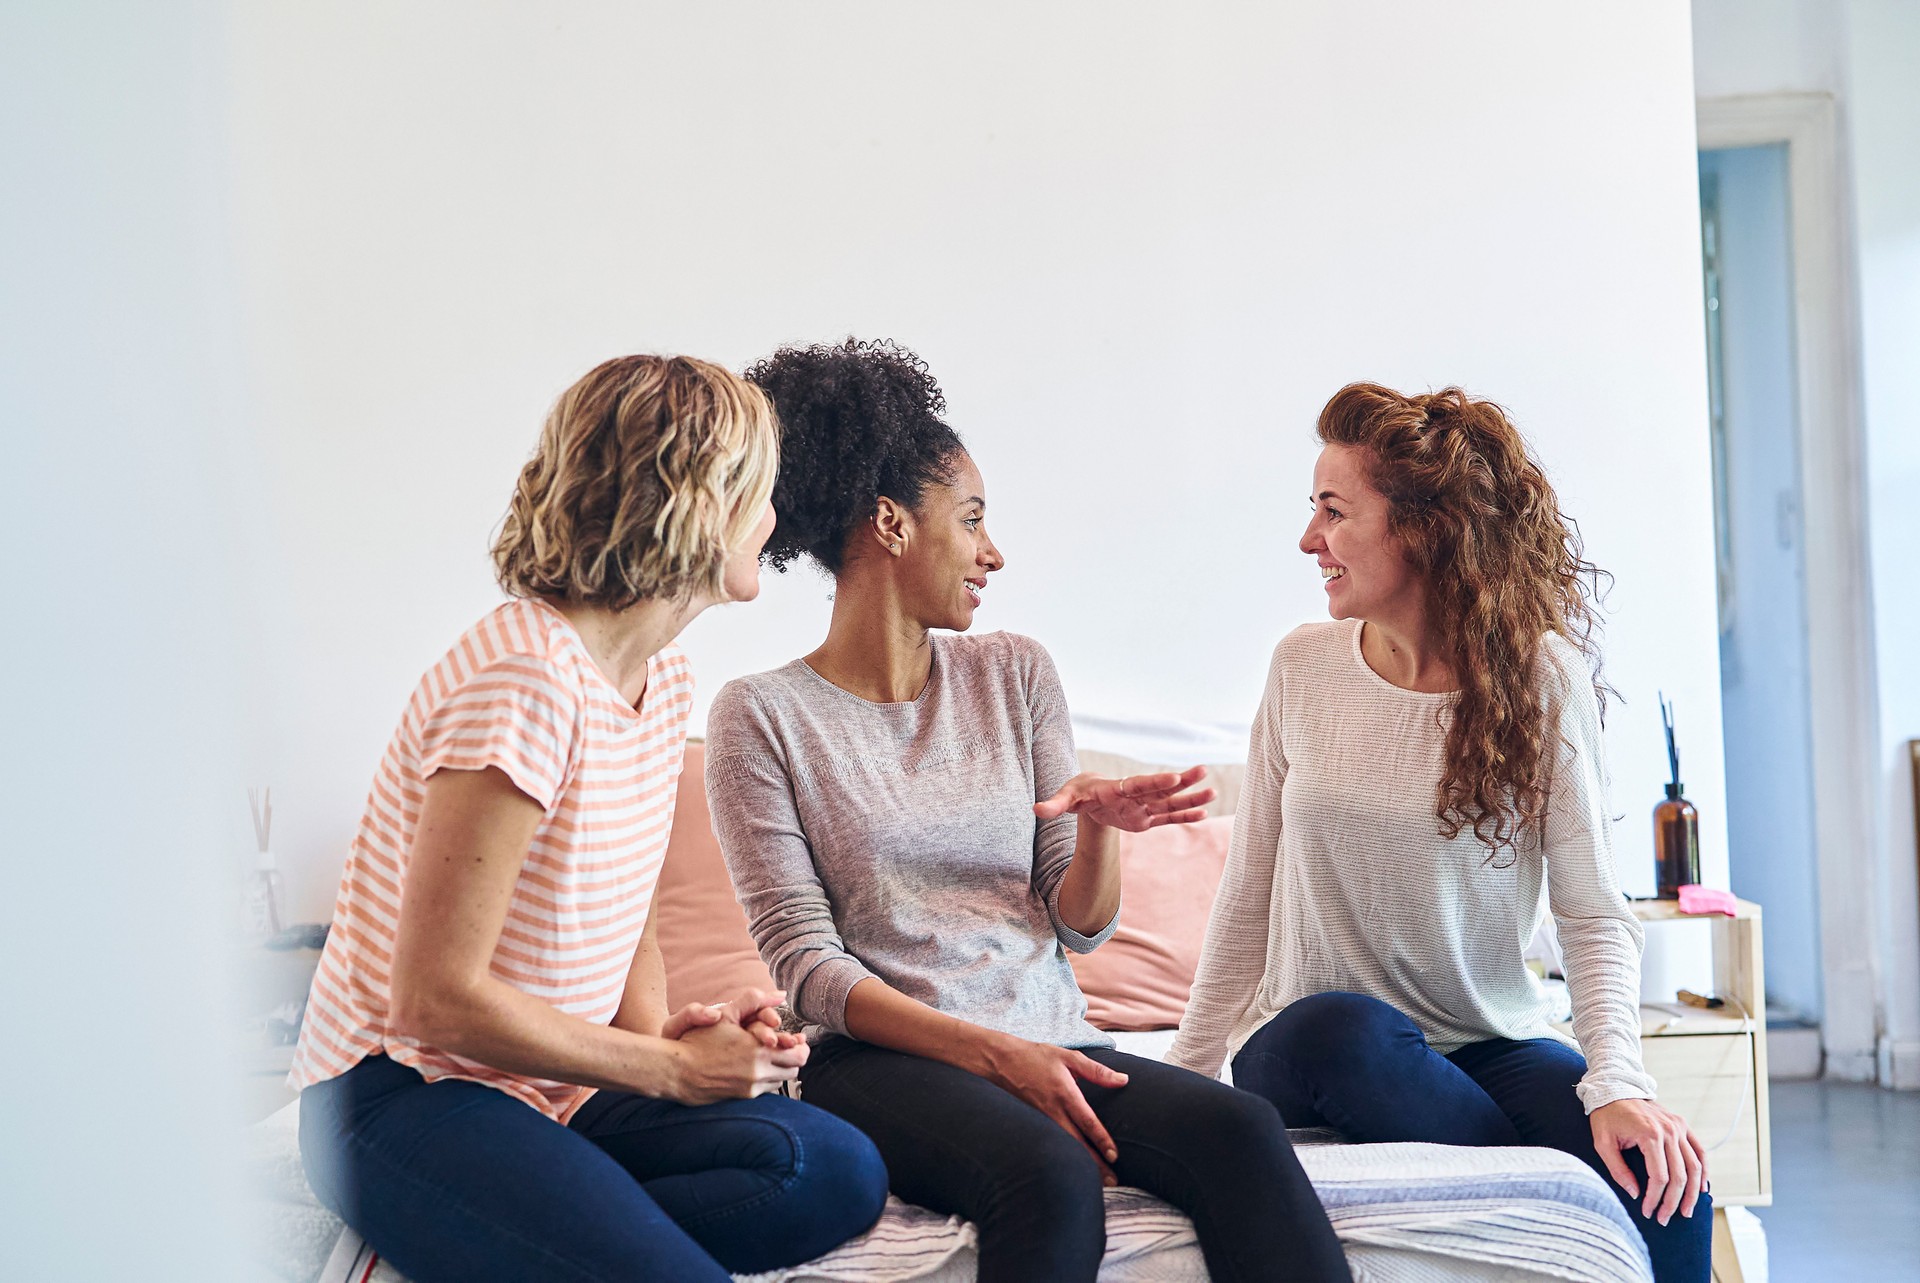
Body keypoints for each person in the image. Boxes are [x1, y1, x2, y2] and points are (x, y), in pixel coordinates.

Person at [704, 339, 1353, 1283]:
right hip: (880, 1064)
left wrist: (1097, 830)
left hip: (1059, 1036)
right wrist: (996, 1056)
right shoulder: (760, 716)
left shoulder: (1016, 673)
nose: (992, 553)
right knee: (1047, 1173)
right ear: (890, 523)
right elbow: (807, 965)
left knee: (1240, 1127)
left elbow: (1077, 927)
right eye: (971, 521)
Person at [288, 355, 889, 1283]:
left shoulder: (666, 678)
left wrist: (659, 1042)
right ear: (700, 500)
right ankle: (519, 1223)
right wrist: (672, 1077)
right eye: (760, 495)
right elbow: (433, 1000)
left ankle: (519, 1231)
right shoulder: (523, 677)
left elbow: (627, 910)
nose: (772, 522)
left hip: (558, 1086)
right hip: (405, 1091)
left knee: (837, 1169)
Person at [1166, 382, 1712, 1281]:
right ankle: (1542, 1193)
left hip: (1487, 1043)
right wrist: (1186, 1077)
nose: (1310, 541)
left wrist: (1616, 1082)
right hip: (1306, 1047)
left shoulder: (1541, 676)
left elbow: (1590, 908)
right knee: (1344, 1032)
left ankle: (1550, 1197)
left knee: (1662, 1176)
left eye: (1334, 513)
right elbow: (1247, 888)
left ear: (1422, 527)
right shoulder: (1302, 666)